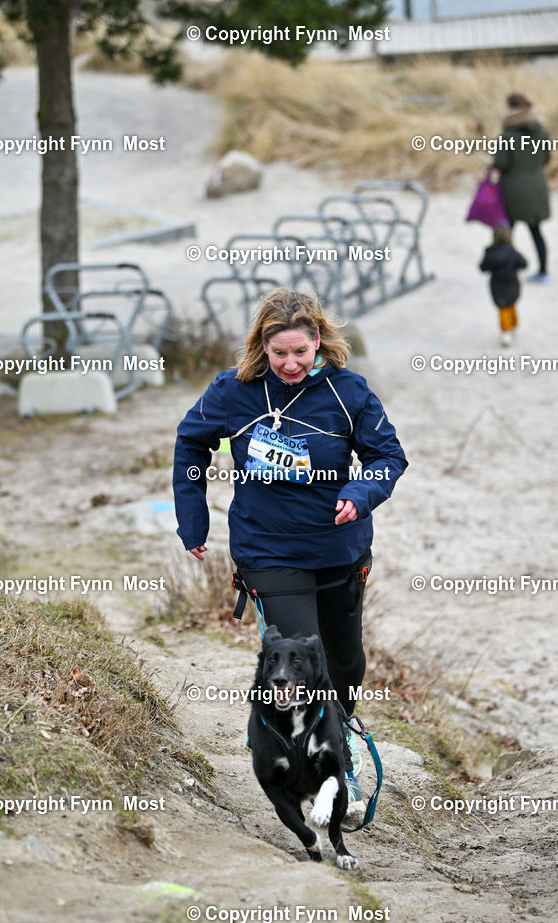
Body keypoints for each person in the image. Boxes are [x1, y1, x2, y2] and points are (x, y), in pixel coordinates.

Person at [172, 287, 407, 812]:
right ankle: (313, 761)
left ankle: (340, 727)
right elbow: (190, 442)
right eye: (280, 354)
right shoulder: (234, 392)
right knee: (299, 657)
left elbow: (388, 456)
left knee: (344, 660)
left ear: (318, 341)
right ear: (262, 346)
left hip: (339, 549)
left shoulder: (349, 392)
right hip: (268, 548)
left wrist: (360, 492)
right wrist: (193, 518)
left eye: (301, 352)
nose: (291, 363)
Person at [492, 93, 551, 283]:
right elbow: (546, 158)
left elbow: (500, 163)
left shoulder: (507, 135)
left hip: (514, 188)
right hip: (537, 186)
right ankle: (543, 271)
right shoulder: (541, 131)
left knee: (507, 230)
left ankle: (509, 268)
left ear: (510, 108)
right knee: (536, 231)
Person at [479, 222, 527, 347]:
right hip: (512, 284)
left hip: (497, 286)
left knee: (502, 308)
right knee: (511, 304)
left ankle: (506, 332)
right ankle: (514, 323)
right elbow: (524, 264)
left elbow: (483, 267)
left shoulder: (489, 253)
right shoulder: (512, 252)